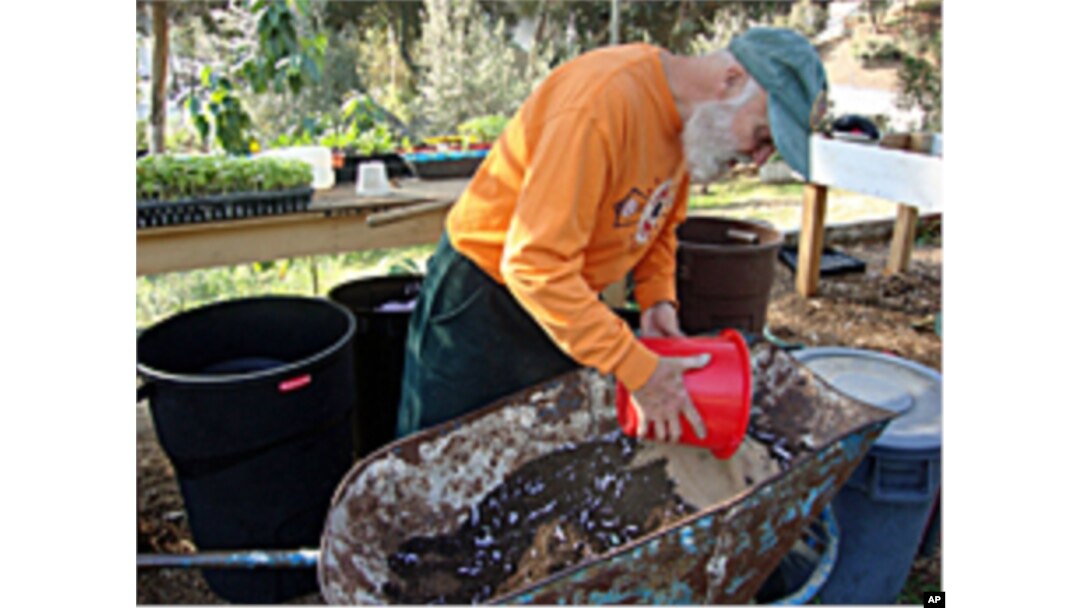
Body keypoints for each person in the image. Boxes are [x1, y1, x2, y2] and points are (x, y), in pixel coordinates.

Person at [396, 27, 828, 442]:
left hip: (564, 301)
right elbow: (533, 264)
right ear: (731, 80)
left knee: (527, 452)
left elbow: (660, 222)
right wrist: (634, 366)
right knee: (440, 462)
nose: (756, 159)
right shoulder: (600, 105)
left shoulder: (686, 119)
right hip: (482, 298)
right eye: (762, 137)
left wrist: (658, 302)